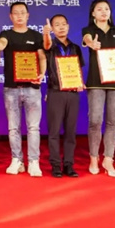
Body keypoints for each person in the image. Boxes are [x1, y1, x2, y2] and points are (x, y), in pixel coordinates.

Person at [81, 0, 115, 178]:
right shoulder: (89, 30)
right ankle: (93, 157)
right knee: (95, 120)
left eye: (106, 9)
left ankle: (108, 159)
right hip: (96, 82)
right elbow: (87, 39)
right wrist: (92, 44)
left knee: (112, 122)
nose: (104, 12)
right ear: (93, 13)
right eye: (99, 9)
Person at [0, 2, 46, 177]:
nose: (19, 16)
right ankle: (17, 160)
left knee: (33, 128)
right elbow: (2, 43)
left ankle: (33, 161)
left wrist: (42, 73)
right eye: (15, 13)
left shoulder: (36, 35)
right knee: (13, 128)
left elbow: (42, 56)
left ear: (28, 15)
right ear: (10, 16)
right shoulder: (6, 34)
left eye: (22, 13)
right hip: (12, 88)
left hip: (32, 88)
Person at [42, 14, 84, 178]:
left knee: (70, 131)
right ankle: (55, 165)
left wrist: (80, 82)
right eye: (57, 25)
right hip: (56, 92)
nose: (61, 27)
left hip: (72, 93)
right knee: (54, 132)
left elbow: (78, 69)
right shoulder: (50, 46)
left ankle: (69, 164)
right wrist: (46, 34)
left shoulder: (75, 48)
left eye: (64, 24)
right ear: (52, 29)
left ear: (68, 26)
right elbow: (46, 45)